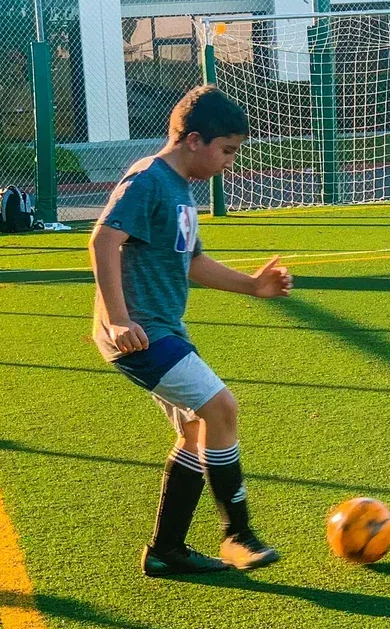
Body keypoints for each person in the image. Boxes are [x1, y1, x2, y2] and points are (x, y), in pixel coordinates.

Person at [89, 85, 293, 577]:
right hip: (139, 335)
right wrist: (119, 319)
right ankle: (237, 534)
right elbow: (102, 240)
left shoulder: (180, 191)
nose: (229, 161)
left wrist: (253, 287)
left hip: (163, 330)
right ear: (195, 140)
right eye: (227, 150)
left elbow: (192, 262)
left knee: (198, 429)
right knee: (221, 407)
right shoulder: (149, 180)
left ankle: (166, 550)